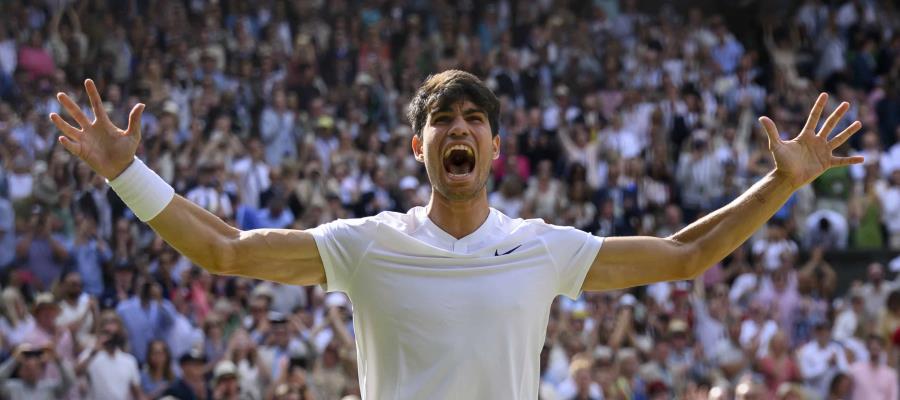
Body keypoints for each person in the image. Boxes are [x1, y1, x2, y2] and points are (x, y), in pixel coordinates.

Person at [50, 71, 863, 399]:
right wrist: (127, 172)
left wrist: (783, 181)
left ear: (496, 149)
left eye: (475, 119)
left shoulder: (545, 247)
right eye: (443, 120)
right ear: (421, 147)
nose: (458, 129)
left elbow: (690, 255)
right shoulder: (365, 243)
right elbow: (224, 249)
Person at [0, 344, 75, 400]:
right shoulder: (11, 388)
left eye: (36, 367)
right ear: (20, 371)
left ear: (41, 371)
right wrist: (14, 360)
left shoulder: (49, 388)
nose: (32, 372)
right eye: (28, 368)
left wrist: (58, 360)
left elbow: (70, 380)